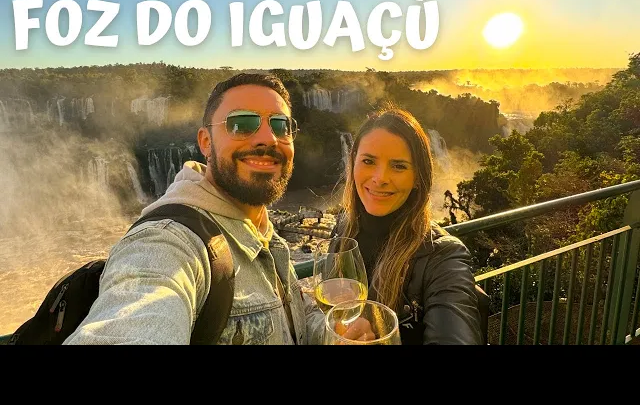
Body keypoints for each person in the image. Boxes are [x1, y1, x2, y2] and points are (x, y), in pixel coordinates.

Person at [63, 73, 326, 345]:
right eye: (242, 124)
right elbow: (137, 311)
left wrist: (332, 330)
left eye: (281, 125)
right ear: (205, 142)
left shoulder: (263, 229)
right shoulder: (167, 243)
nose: (268, 138)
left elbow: (293, 317)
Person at [333, 105, 483, 345]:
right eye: (368, 161)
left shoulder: (443, 257)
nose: (380, 178)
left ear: (418, 179)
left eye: (399, 166)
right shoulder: (343, 228)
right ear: (353, 165)